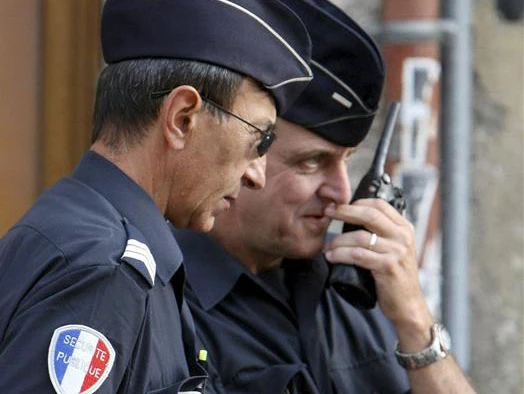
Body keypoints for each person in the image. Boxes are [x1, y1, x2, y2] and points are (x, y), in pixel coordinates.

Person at [0, 0, 314, 393]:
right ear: (182, 118)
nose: (257, 174)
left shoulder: (76, 230)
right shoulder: (106, 270)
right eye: (259, 140)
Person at [174, 0, 477, 393]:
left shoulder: (360, 283)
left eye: (347, 161)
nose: (342, 193)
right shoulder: (163, 298)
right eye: (311, 162)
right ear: (242, 153)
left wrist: (415, 320)